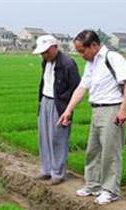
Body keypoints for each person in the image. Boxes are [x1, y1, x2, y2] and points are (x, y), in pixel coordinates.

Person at [58, 30, 126, 205]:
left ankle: (110, 190)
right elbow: (81, 88)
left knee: (111, 152)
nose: (81, 55)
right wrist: (68, 110)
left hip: (112, 109)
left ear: (93, 45)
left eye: (82, 51)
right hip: (97, 109)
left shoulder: (112, 57)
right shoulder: (91, 63)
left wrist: (123, 110)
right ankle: (93, 185)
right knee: (93, 150)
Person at [33, 34, 81, 185]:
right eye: (42, 52)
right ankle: (46, 170)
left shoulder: (68, 64)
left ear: (55, 47)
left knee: (58, 138)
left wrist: (66, 105)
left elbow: (76, 88)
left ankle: (58, 173)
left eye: (46, 51)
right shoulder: (45, 62)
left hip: (59, 104)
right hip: (45, 101)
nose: (44, 55)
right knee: (44, 137)